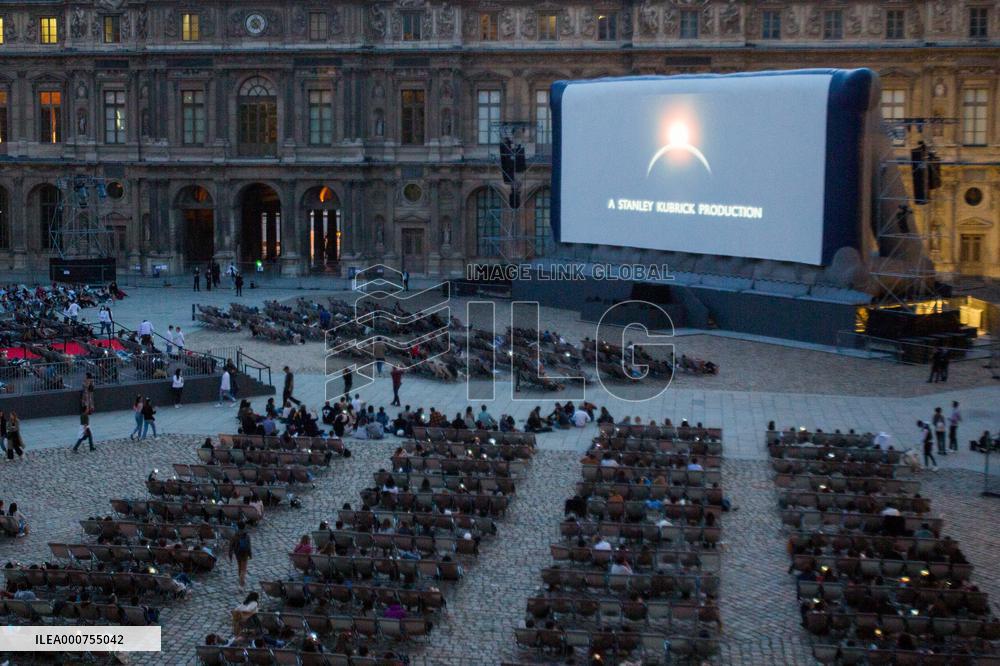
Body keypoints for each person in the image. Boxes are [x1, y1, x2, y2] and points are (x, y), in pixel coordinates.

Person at [229, 522, 252, 588]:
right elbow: (249, 546)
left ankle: (240, 580)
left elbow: (231, 546)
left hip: (237, 553)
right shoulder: (246, 535)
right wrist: (250, 554)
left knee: (239, 567)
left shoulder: (235, 535)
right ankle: (241, 583)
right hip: (245, 554)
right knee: (243, 569)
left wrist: (230, 555)